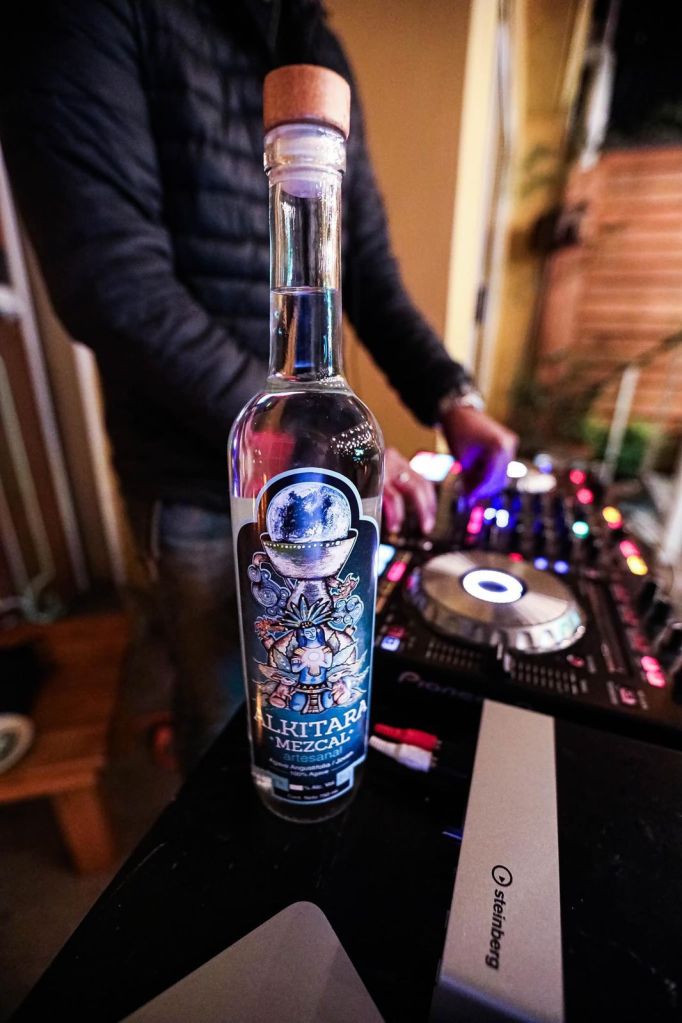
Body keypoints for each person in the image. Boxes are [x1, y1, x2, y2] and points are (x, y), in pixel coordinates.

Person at [0, 0, 517, 773]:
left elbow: (367, 271)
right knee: (222, 720)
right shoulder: (104, 15)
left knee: (320, 688)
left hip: (301, 437)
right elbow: (113, 282)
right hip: (192, 477)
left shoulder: (313, 38)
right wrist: (302, 428)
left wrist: (453, 397)